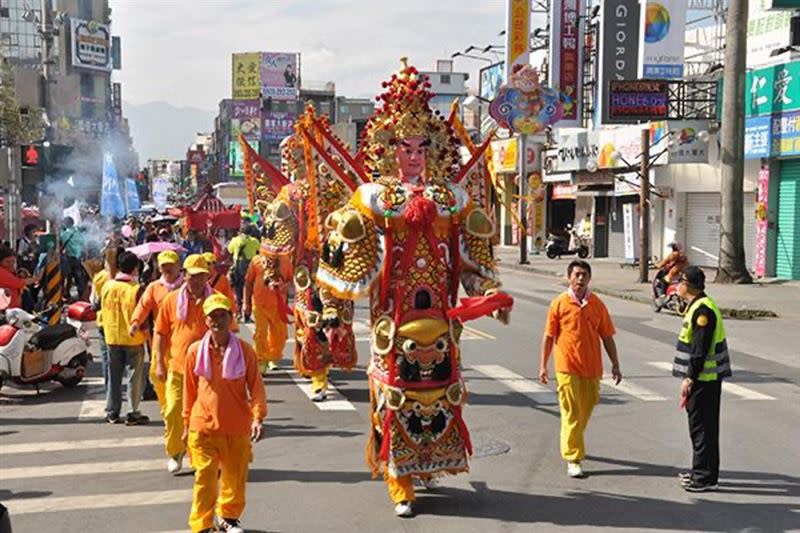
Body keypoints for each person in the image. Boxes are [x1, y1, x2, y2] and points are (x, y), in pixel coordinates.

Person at [315, 60, 511, 518]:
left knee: (441, 392)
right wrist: (333, 316)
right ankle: (398, 479)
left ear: (436, 149)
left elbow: (473, 257)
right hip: (393, 321)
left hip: (442, 321)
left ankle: (425, 466)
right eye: (405, 146)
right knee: (396, 395)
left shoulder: (452, 200)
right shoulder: (373, 198)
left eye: (424, 146)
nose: (415, 155)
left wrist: (490, 294)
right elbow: (342, 264)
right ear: (389, 148)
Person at [183, 294, 266, 533]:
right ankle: (202, 525)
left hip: (236, 426)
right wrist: (186, 425)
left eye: (222, 315)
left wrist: (258, 417)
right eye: (213, 316)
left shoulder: (245, 352)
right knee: (205, 477)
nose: (217, 320)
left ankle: (228, 518)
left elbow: (256, 387)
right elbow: (189, 392)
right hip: (203, 426)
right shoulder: (195, 352)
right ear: (206, 320)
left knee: (234, 477)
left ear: (231, 318)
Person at [539, 260, 621, 479]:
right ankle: (573, 458)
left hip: (592, 367)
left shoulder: (597, 304)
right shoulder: (559, 303)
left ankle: (571, 438)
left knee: (586, 407)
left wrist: (615, 364)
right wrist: (543, 366)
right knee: (572, 411)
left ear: (589, 278)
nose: (580, 279)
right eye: (576, 275)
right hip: (566, 366)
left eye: (584, 275)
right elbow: (548, 337)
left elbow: (607, 336)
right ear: (569, 277)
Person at [154, 254, 216, 474]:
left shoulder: (215, 301)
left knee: (207, 417)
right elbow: (161, 332)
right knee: (173, 412)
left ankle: (202, 455)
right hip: (178, 369)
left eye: (201, 276)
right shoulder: (171, 300)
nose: (196, 281)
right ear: (185, 276)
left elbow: (229, 332)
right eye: (192, 276)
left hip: (208, 373)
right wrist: (159, 363)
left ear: (207, 277)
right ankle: (175, 452)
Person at [673, 266, 731, 492]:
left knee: (702, 429)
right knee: (704, 428)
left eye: (679, 281)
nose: (677, 285)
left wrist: (690, 378)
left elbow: (700, 349)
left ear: (687, 284)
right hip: (705, 379)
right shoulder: (698, 305)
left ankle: (704, 478)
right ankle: (703, 472)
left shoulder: (703, 311)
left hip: (704, 379)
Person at [130, 250, 184, 415]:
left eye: (171, 265)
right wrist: (135, 322)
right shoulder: (154, 287)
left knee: (180, 380)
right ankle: (167, 408)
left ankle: (178, 411)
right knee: (157, 376)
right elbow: (143, 306)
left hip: (181, 342)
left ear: (179, 266)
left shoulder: (186, 286)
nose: (168, 269)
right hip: (159, 341)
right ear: (159, 268)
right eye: (164, 266)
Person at [99, 250, 149, 425]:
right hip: (133, 338)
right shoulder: (136, 289)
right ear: (135, 268)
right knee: (134, 377)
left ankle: (112, 411)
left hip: (111, 337)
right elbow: (143, 316)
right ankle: (132, 412)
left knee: (113, 376)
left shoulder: (107, 286)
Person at [243, 245, 290, 375]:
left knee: (278, 335)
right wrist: (246, 303)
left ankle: (273, 357)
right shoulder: (256, 261)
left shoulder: (285, 260)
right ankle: (261, 361)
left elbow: (291, 280)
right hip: (259, 304)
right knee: (260, 334)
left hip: (278, 305)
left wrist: (285, 286)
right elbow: (248, 282)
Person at [91, 247, 120, 391]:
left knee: (106, 359)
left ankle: (110, 389)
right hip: (121, 323)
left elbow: (93, 301)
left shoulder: (98, 277)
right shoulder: (124, 277)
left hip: (103, 321)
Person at [227, 225, 260, 318]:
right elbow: (259, 249)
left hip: (238, 269)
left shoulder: (235, 240)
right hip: (251, 270)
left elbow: (230, 250)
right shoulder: (254, 241)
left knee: (238, 291)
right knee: (250, 292)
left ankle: (238, 312)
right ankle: (248, 314)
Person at [0, 246, 36, 310]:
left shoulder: (9, 269)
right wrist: (38, 278)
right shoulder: (2, 272)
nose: (11, 263)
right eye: (7, 261)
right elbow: (19, 283)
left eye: (13, 261)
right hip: (7, 309)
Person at [202, 252, 237, 316]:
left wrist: (232, 313)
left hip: (217, 314)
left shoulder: (222, 279)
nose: (205, 266)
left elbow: (229, 297)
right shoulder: (198, 280)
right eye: (202, 264)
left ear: (214, 264)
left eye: (208, 263)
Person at [60, 216, 86, 300]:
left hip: (68, 258)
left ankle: (66, 294)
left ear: (66, 223)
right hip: (78, 258)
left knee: (68, 277)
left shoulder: (64, 234)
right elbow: (83, 244)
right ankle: (82, 295)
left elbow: (60, 242)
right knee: (79, 277)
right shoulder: (78, 233)